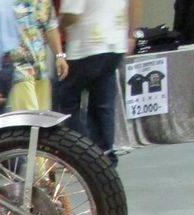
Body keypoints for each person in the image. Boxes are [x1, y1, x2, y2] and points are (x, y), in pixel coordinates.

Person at [54, 0, 137, 163]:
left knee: (66, 100)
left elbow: (72, 14)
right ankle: (105, 154)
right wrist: (131, 33)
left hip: (87, 45)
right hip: (115, 42)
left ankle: (85, 153)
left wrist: (55, 28)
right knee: (102, 104)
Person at [9, 0, 68, 111]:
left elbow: (51, 26)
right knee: (27, 117)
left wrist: (60, 56)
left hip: (41, 68)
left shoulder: (43, 2)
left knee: (42, 117)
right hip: (19, 67)